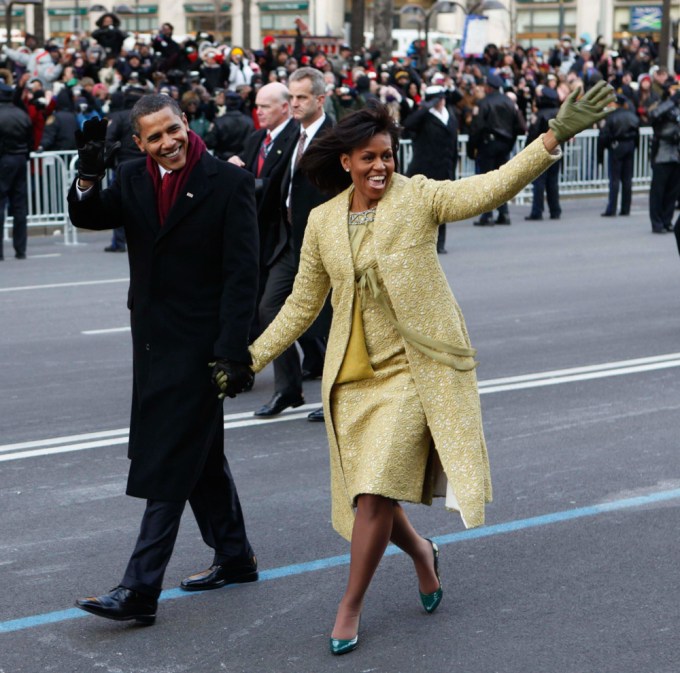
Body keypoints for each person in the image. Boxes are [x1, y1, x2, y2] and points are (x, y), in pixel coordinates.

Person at [238, 83, 614, 655]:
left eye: (387, 155)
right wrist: (249, 358)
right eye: (369, 158)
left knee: (374, 490)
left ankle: (350, 606)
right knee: (375, 493)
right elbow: (300, 305)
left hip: (415, 372)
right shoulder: (320, 222)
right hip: (353, 378)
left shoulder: (418, 199)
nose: (381, 166)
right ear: (347, 163)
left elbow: (489, 188)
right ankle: (420, 551)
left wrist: (552, 137)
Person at [68, 94, 260, 624]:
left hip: (202, 349)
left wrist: (231, 351)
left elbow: (243, 277)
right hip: (152, 341)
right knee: (200, 457)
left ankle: (139, 588)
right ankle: (236, 556)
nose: (168, 143)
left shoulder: (229, 182)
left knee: (172, 459)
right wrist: (87, 173)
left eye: (172, 130)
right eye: (154, 138)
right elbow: (87, 216)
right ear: (138, 144)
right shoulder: (131, 177)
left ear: (186, 123)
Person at [253, 67, 333, 421]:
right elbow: (271, 184)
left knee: (331, 323)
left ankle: (337, 395)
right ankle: (287, 388)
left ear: (320, 99)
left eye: (301, 97)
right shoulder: (291, 137)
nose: (294, 103)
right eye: (292, 96)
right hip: (288, 241)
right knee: (271, 309)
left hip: (323, 244)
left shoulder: (335, 138)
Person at [227, 82, 300, 331]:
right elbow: (247, 172)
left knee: (275, 304)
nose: (258, 111)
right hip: (255, 231)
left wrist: (244, 178)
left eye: (265, 107)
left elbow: (277, 184)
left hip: (279, 232)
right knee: (263, 302)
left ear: (284, 107)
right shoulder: (257, 138)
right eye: (257, 106)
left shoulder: (296, 137)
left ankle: (314, 359)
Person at [402, 84, 458, 253]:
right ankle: (417, 241)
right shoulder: (424, 117)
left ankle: (440, 243)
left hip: (444, 168)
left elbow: (453, 146)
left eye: (440, 99)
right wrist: (424, 108)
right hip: (423, 169)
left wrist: (452, 169)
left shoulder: (450, 116)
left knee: (441, 207)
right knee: (419, 208)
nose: (439, 102)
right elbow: (407, 125)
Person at [469, 72, 525, 226]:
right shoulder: (508, 101)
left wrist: (471, 147)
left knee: (487, 180)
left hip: (488, 144)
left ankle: (487, 216)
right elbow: (518, 126)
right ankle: (504, 213)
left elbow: (477, 127)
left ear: (488, 87)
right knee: (502, 180)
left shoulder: (484, 103)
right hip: (504, 145)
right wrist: (509, 143)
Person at [0, 82, 32, 261]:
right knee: (20, 206)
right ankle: (21, 249)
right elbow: (30, 141)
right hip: (20, 159)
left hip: (4, 160)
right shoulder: (21, 114)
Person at [597, 93, 639, 217]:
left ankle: (612, 208)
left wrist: (600, 154)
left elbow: (603, 137)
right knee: (627, 179)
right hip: (629, 147)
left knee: (614, 180)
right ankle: (625, 208)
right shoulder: (632, 116)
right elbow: (637, 134)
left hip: (616, 148)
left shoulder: (611, 117)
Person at [524, 85, 562, 221]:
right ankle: (555, 210)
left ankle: (537, 211)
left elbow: (532, 135)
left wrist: (526, 150)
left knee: (539, 182)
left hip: (540, 151)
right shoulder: (559, 114)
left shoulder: (539, 115)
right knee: (553, 181)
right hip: (556, 149)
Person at [647, 87, 680, 233]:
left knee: (672, 192)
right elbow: (654, 114)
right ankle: (657, 222)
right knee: (658, 192)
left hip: (677, 155)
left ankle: (667, 221)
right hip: (661, 155)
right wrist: (671, 101)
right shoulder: (661, 105)